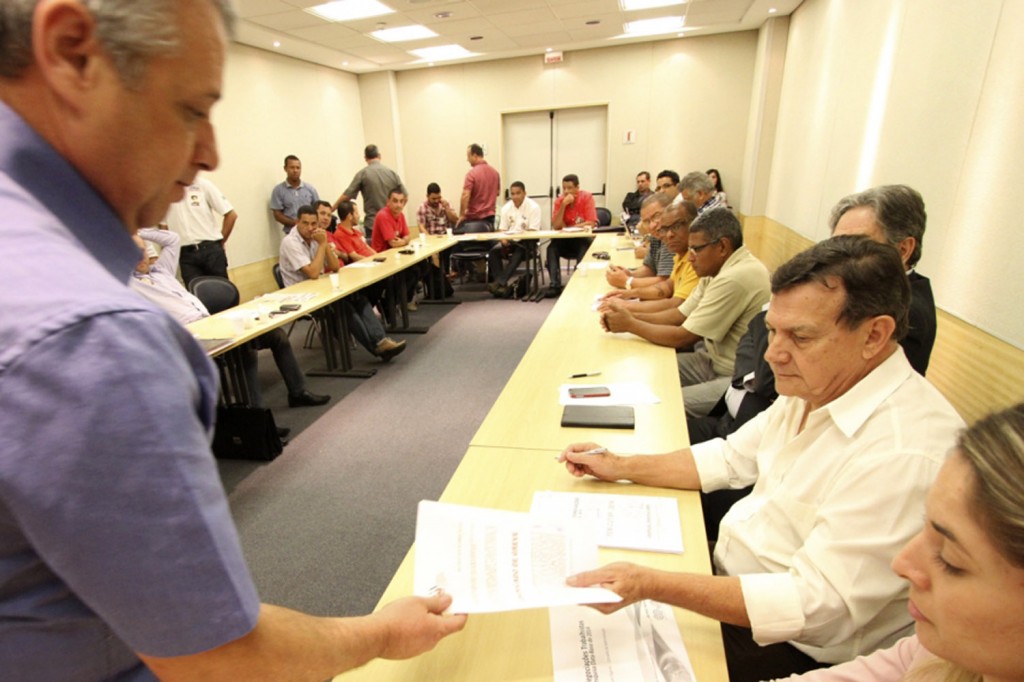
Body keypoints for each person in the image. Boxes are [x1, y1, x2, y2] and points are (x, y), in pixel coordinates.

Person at [0, 1, 461, 680]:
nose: (210, 150)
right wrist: (377, 634)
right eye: (192, 109)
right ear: (72, 53)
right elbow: (220, 659)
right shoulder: (97, 343)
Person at [561, 236, 965, 682]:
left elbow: (815, 608)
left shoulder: (905, 451)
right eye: (772, 329)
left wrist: (652, 584)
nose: (773, 354)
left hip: (791, 647)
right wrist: (620, 465)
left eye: (800, 336)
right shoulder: (822, 382)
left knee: (573, 653)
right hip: (732, 584)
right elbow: (730, 457)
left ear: (874, 334)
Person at [775, 403, 1024, 682]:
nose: (901, 563)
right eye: (923, 527)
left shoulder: (905, 444)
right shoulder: (937, 655)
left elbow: (824, 605)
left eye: (950, 559)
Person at [131, 228, 329, 410]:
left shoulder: (162, 271)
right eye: (134, 251)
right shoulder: (127, 284)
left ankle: (298, 392)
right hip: (191, 335)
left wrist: (136, 229)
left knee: (277, 336)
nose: (141, 256)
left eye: (143, 250)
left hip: (212, 322)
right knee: (245, 351)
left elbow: (172, 239)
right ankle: (257, 420)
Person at [602, 208, 771, 417]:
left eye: (696, 249)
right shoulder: (717, 267)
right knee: (645, 371)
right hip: (709, 360)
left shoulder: (735, 277)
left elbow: (683, 336)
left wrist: (630, 324)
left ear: (722, 246)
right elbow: (679, 314)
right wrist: (629, 316)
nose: (690, 258)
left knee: (662, 406)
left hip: (732, 376)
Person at [281, 206, 405, 362]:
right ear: (297, 222)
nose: (310, 228)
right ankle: (376, 347)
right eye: (305, 223)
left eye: (314, 224)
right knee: (343, 307)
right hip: (300, 296)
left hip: (319, 288)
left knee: (358, 298)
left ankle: (381, 340)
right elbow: (313, 273)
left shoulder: (317, 238)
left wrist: (325, 244)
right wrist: (321, 246)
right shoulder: (290, 242)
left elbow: (334, 267)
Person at [599, 201, 699, 313]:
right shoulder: (680, 254)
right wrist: (629, 293)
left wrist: (626, 303)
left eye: (676, 226)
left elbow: (676, 306)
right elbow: (667, 286)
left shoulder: (696, 259)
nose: (669, 234)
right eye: (665, 229)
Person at [160, 174, 237, 285]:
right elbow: (164, 229)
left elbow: (231, 215)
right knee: (197, 298)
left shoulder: (203, 185)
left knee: (222, 293)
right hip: (185, 255)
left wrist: (221, 241)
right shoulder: (164, 193)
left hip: (211, 250)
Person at [334, 144, 406, 239]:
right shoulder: (392, 173)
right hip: (392, 225)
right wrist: (396, 213)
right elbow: (405, 196)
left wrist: (331, 209)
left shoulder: (363, 174)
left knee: (377, 252)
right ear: (379, 156)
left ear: (365, 158)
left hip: (373, 224)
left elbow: (347, 195)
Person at [604, 192, 674, 291]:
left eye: (657, 216)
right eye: (646, 221)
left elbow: (665, 282)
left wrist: (627, 281)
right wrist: (630, 274)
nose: (652, 225)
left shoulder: (671, 237)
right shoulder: (657, 235)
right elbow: (650, 268)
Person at [488, 180, 542, 297]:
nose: (515, 196)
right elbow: (502, 229)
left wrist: (518, 237)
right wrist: (503, 239)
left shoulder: (533, 207)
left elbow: (533, 231)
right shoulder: (506, 208)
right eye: (513, 193)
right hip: (511, 240)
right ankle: (501, 286)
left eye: (518, 193)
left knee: (519, 251)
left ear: (524, 193)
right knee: (494, 252)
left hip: (528, 241)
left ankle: (499, 283)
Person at [546, 173, 597, 295]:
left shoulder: (587, 197)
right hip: (565, 240)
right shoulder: (559, 201)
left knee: (584, 246)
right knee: (551, 248)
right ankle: (554, 284)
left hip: (581, 239)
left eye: (569, 188)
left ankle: (578, 281)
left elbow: (591, 223)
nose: (566, 191)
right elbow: (556, 226)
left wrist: (570, 228)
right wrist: (563, 205)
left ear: (577, 188)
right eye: (564, 188)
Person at [269, 154, 320, 233]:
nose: (295, 170)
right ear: (285, 169)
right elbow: (277, 215)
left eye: (298, 168)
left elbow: (318, 210)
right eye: (292, 167)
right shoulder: (278, 190)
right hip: (291, 232)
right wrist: (295, 223)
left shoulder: (310, 189)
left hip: (310, 232)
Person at [458, 142, 500, 228]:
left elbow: (465, 195)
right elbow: (497, 193)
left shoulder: (471, 174)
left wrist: (462, 215)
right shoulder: (495, 173)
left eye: (468, 156)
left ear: (475, 155)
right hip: (490, 219)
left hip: (475, 219)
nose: (467, 159)